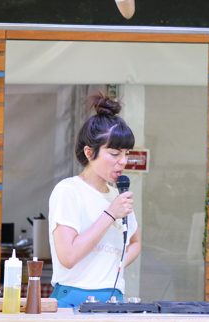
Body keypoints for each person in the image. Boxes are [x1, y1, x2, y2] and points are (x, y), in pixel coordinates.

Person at [48, 93, 141, 307]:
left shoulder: (117, 195)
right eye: (115, 153)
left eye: (127, 153)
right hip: (73, 298)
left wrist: (114, 266)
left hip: (114, 298)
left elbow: (135, 243)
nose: (123, 162)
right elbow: (68, 256)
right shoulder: (69, 191)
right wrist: (110, 214)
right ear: (90, 153)